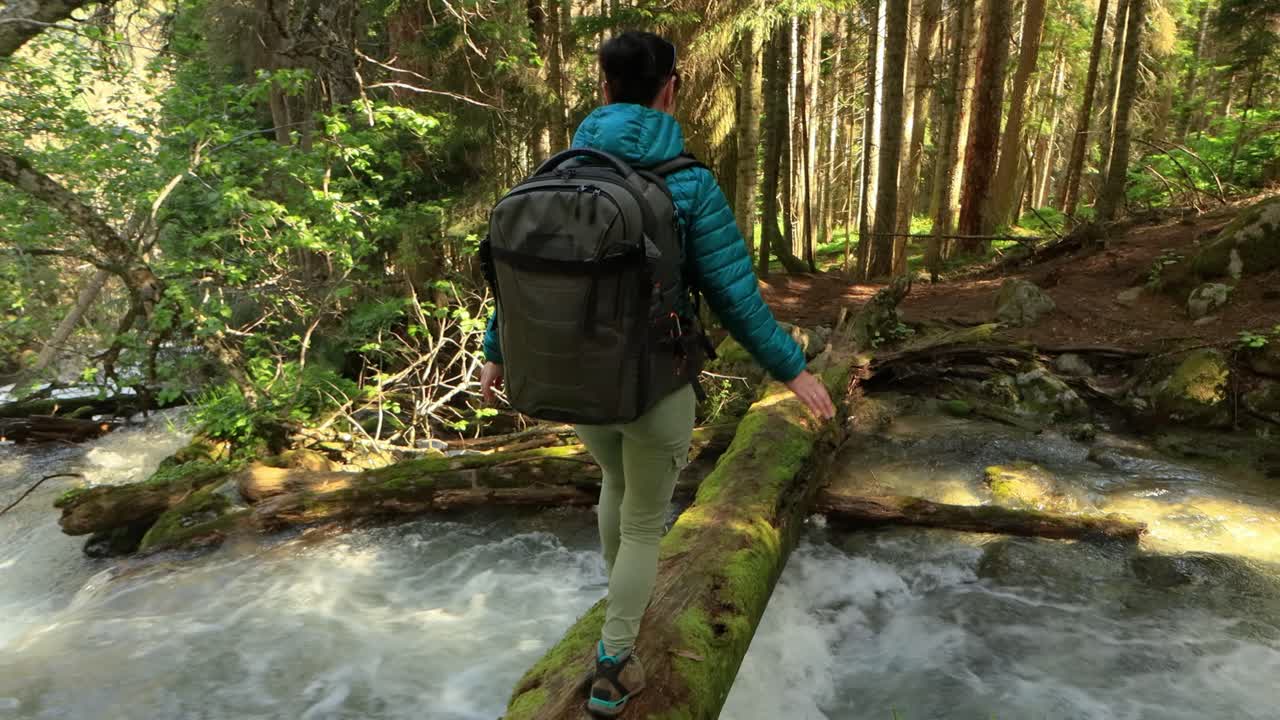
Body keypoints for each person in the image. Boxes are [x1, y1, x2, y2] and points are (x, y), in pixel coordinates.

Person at [479, 30, 835, 717]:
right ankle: (614, 665)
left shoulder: (556, 172)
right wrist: (793, 370)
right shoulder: (688, 181)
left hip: (579, 378)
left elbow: (515, 280)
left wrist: (498, 350)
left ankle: (622, 613)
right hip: (655, 383)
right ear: (670, 89)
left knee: (614, 484)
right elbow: (733, 292)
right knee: (646, 522)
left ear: (602, 87)